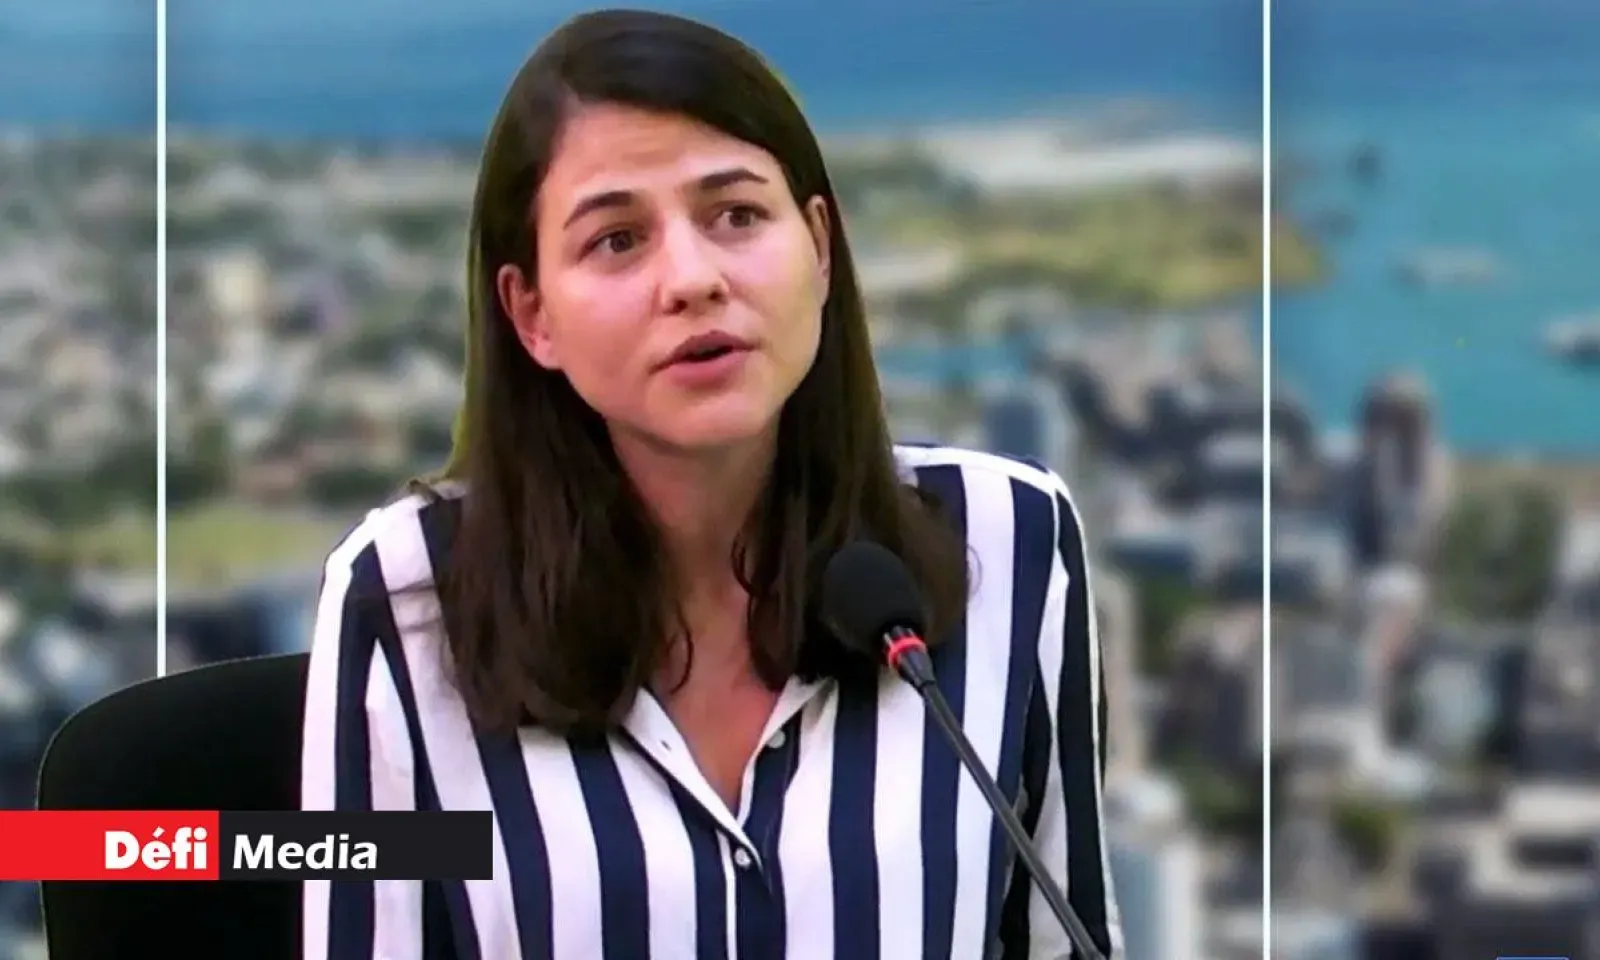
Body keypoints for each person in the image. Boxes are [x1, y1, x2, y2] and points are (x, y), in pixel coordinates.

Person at [300, 8, 1121, 959]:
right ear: (532, 315)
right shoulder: (407, 598)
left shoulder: (1010, 541)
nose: (692, 279)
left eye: (736, 215)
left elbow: (1064, 936)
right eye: (617, 239)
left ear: (820, 246)